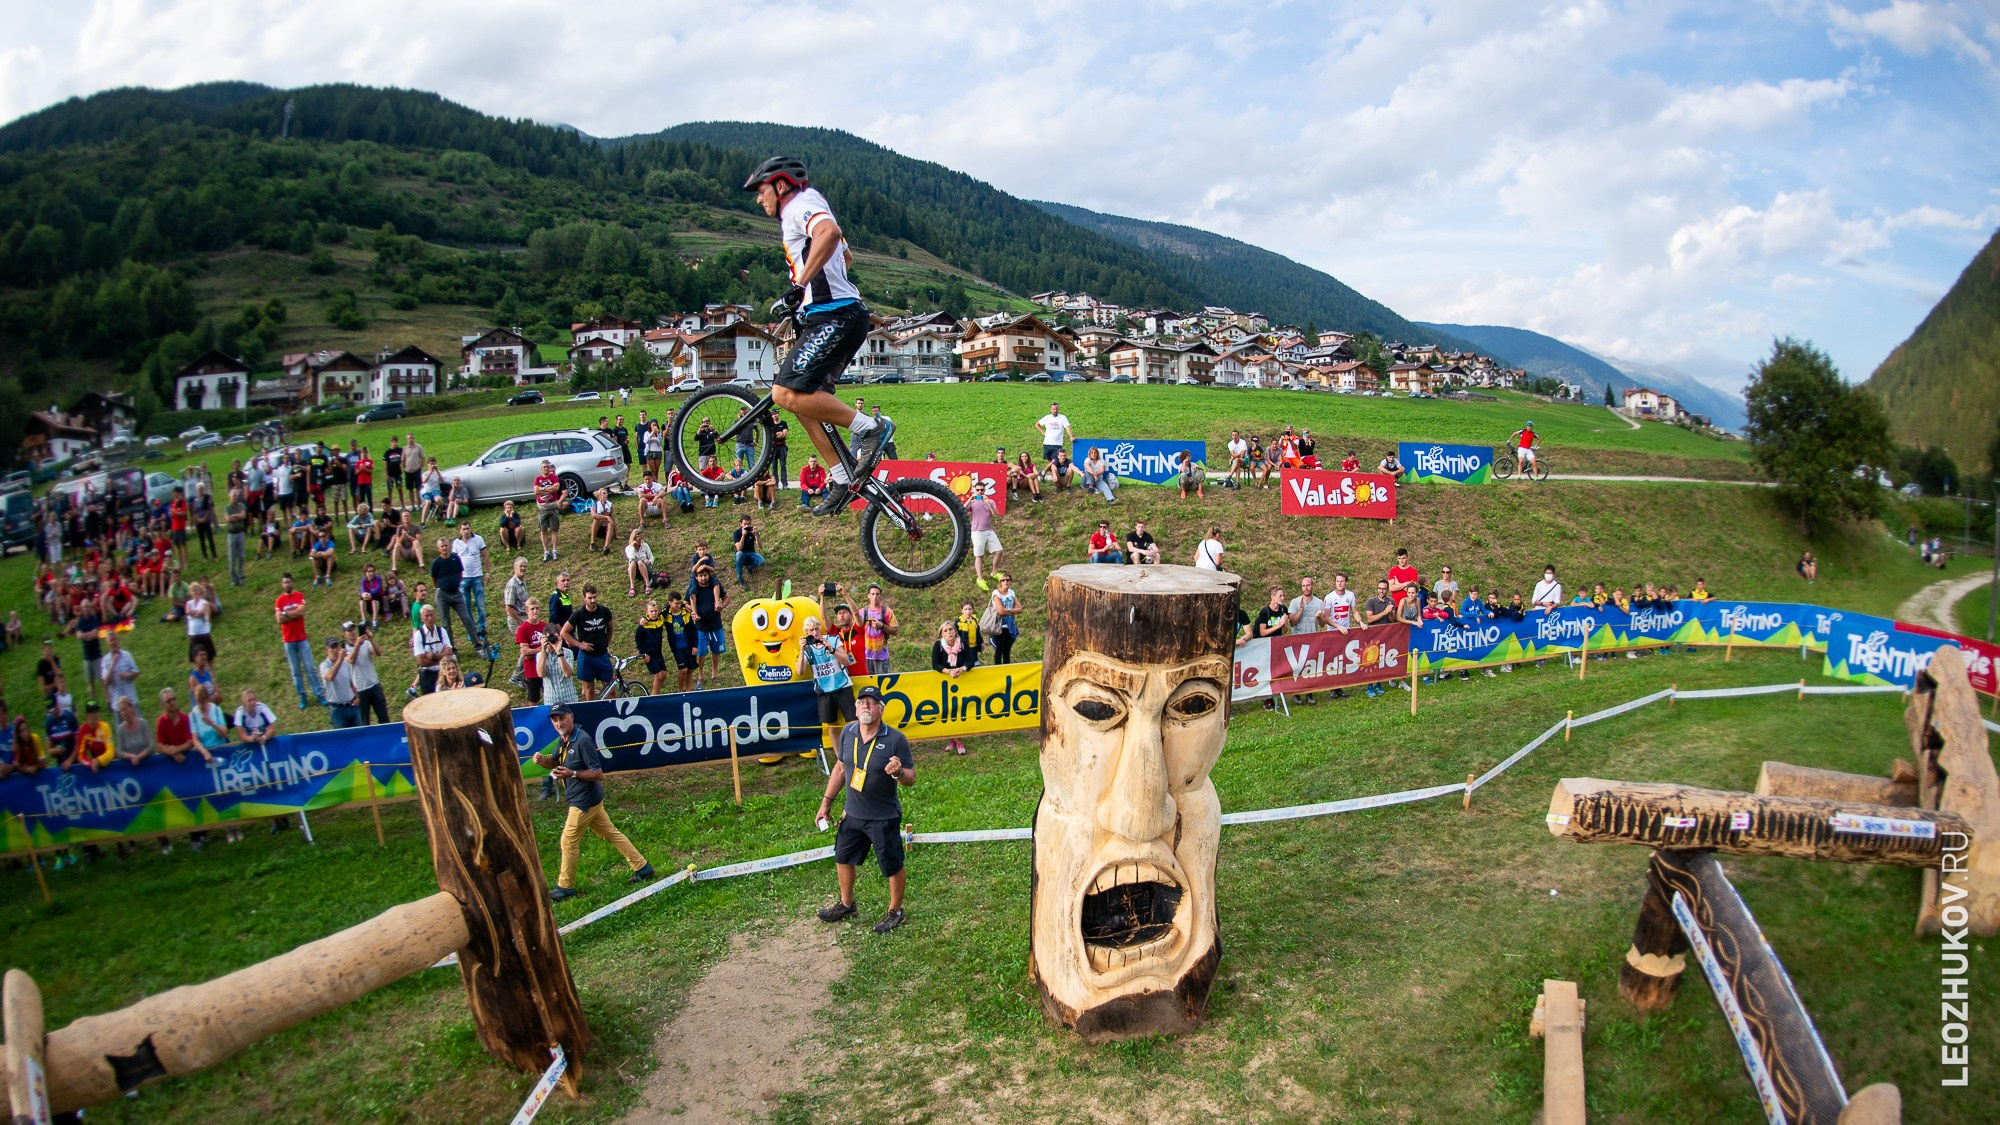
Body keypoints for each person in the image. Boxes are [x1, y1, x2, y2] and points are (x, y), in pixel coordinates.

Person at [744, 155, 893, 516]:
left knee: (782, 392)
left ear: (780, 186)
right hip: (833, 315)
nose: (758, 199)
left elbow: (830, 234)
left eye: (761, 191)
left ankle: (871, 428)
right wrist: (810, 294)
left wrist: (801, 285)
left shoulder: (799, 205)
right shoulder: (810, 206)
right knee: (797, 400)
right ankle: (842, 476)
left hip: (836, 316)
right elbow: (846, 256)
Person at [815, 685, 913, 933]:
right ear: (856, 709)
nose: (866, 706)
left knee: (892, 865)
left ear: (881, 709)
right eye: (862, 702)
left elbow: (911, 777)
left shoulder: (896, 739)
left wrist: (899, 772)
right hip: (852, 814)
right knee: (843, 857)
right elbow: (840, 768)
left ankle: (896, 912)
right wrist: (826, 802)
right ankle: (847, 904)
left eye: (872, 702)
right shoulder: (848, 732)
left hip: (883, 816)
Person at [536, 703, 655, 901]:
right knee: (611, 834)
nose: (559, 723)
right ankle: (643, 868)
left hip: (584, 802)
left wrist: (573, 773)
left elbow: (598, 773)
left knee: (568, 841)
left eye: (562, 718)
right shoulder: (563, 740)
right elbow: (555, 762)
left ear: (571, 717)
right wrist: (543, 761)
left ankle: (565, 887)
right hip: (588, 800)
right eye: (555, 720)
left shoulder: (582, 741)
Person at [797, 612, 857, 734]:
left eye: (816, 629)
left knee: (853, 722)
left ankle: (855, 745)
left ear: (820, 628)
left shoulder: (833, 640)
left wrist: (831, 650)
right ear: (806, 633)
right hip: (824, 690)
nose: (815, 633)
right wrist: (802, 651)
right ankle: (838, 748)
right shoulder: (808, 648)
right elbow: (800, 671)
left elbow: (847, 661)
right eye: (811, 630)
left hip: (842, 685)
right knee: (832, 726)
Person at [274, 574, 324, 711]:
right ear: (282, 585)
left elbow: (301, 612)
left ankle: (319, 693)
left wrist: (286, 613)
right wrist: (293, 613)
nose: (287, 584)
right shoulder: (279, 600)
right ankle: (302, 696)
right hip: (288, 641)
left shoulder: (299, 596)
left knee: (310, 668)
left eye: (289, 582)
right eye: (285, 582)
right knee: (295, 671)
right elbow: (279, 620)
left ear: (292, 583)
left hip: (302, 639)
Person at [559, 584, 616, 701]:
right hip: (587, 657)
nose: (593, 600)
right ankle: (592, 710)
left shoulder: (604, 611)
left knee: (611, 689)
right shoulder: (579, 614)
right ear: (584, 598)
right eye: (590, 598)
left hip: (602, 655)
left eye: (594, 597)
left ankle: (611, 710)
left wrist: (606, 644)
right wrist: (579, 644)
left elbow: (610, 628)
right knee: (589, 690)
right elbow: (564, 632)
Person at [931, 620, 977, 754]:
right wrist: (949, 672)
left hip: (961, 680)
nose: (949, 632)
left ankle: (958, 740)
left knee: (960, 711)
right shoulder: (938, 645)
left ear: (955, 631)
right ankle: (953, 739)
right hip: (945, 683)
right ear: (942, 634)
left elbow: (970, 661)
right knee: (949, 711)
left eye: (951, 629)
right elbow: (936, 664)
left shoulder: (962, 643)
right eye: (945, 631)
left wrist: (961, 669)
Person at [1287, 576, 1330, 702]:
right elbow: (1292, 622)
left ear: (1312, 586)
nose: (1306, 588)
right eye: (1304, 586)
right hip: (1297, 638)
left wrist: (1319, 617)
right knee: (1297, 667)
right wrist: (1301, 610)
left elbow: (1322, 624)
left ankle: (1309, 694)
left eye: (1308, 585)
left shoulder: (1319, 603)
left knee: (1310, 667)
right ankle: (1296, 693)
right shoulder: (1295, 602)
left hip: (1312, 639)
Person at [430, 537, 478, 647]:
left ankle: (477, 643)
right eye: (442, 546)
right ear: (438, 548)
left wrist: (455, 584)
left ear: (450, 546)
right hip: (443, 595)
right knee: (446, 623)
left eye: (446, 545)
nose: (444, 548)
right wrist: (440, 587)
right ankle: (451, 647)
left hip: (456, 593)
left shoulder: (455, 559)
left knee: (467, 619)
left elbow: (460, 574)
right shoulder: (436, 563)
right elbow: (434, 579)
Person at [689, 567, 730, 686]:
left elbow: (726, 598)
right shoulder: (693, 589)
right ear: (696, 577)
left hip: (716, 625)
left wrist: (722, 606)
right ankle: (700, 675)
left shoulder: (715, 585)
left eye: (705, 575)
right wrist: (693, 612)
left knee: (716, 651)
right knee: (700, 653)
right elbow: (685, 603)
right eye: (700, 576)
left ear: (709, 575)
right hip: (701, 628)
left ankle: (714, 674)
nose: (703, 578)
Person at [453, 520, 491, 644]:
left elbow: (485, 556)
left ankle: (482, 627)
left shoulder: (478, 539)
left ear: (471, 528)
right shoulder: (456, 543)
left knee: (480, 604)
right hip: (463, 579)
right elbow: (453, 561)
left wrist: (487, 572)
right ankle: (471, 630)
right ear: (460, 530)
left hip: (477, 577)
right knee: (466, 606)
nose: (466, 531)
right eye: (463, 529)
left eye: (467, 528)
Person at [345, 620, 388, 725]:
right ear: (344, 634)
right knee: (364, 721)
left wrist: (371, 639)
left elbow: (378, 652)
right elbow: (351, 660)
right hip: (360, 689)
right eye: (349, 630)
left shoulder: (366, 643)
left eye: (353, 629)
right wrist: (357, 645)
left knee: (384, 718)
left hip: (374, 685)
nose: (352, 632)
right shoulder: (345, 649)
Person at [154, 688, 208, 764]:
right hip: (171, 761)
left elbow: (190, 742)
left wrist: (175, 750)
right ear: (163, 706)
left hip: (189, 758)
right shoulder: (161, 721)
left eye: (174, 699)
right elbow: (160, 745)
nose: (172, 703)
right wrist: (174, 753)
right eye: (168, 701)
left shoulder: (186, 719)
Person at [411, 605, 454, 696]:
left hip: (443, 673)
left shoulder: (442, 631)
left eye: (431, 615)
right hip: (427, 676)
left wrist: (433, 656)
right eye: (427, 616)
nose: (430, 618)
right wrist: (442, 656)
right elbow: (421, 662)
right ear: (422, 618)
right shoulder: (418, 635)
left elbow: (450, 654)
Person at [320, 636, 361, 729]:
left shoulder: (345, 664)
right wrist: (339, 660)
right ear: (327, 650)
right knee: (342, 736)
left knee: (359, 733)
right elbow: (330, 677)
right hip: (337, 709)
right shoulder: (324, 665)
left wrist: (357, 697)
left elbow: (351, 683)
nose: (335, 650)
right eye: (332, 647)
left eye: (336, 647)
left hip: (352, 706)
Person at [858, 584, 898, 675]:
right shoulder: (862, 612)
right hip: (865, 656)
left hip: (882, 657)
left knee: (883, 682)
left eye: (877, 594)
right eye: (872, 594)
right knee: (868, 683)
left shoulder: (887, 612)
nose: (875, 596)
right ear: (868, 595)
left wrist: (882, 626)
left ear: (880, 595)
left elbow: (895, 631)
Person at [100, 631, 141, 717]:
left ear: (118, 640)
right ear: (107, 643)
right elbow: (106, 682)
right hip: (117, 704)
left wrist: (127, 675)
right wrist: (113, 663)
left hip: (131, 701)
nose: (113, 642)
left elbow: (136, 672)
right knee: (121, 726)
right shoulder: (105, 660)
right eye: (111, 640)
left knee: (137, 723)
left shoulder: (127, 655)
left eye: (114, 639)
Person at [665, 592, 700, 693]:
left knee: (690, 669)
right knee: (683, 669)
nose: (678, 605)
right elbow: (656, 615)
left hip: (688, 645)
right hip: (677, 647)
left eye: (680, 603)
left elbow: (694, 630)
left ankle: (688, 690)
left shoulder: (686, 613)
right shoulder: (666, 614)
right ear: (670, 603)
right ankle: (680, 690)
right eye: (676, 603)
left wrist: (695, 645)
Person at [634, 599, 669, 694]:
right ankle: (654, 697)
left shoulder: (660, 618)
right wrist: (643, 654)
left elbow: (668, 606)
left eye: (655, 611)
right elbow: (638, 639)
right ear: (647, 612)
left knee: (664, 675)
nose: (654, 613)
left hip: (658, 653)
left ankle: (656, 692)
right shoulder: (643, 625)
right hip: (649, 654)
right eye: (651, 611)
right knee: (658, 676)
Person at [111, 694, 155, 766]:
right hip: (130, 766)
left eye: (125, 709)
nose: (123, 713)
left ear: (131, 708)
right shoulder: (120, 729)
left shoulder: (143, 723)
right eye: (121, 711)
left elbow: (151, 747)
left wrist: (139, 757)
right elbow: (119, 752)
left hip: (146, 764)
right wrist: (131, 756)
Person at [534, 460, 564, 562]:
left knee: (554, 530)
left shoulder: (554, 477)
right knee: (543, 531)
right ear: (541, 468)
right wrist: (549, 489)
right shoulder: (538, 479)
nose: (546, 469)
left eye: (547, 467)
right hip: (542, 508)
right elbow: (536, 491)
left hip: (553, 507)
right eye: (544, 467)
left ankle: (554, 550)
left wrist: (542, 490)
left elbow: (556, 488)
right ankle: (546, 552)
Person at [225, 486, 250, 586]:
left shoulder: (241, 506)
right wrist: (237, 516)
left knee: (241, 556)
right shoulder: (227, 507)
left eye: (236, 496)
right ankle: (233, 579)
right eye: (233, 496)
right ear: (230, 497)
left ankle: (240, 577)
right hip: (232, 534)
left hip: (240, 533)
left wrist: (234, 516)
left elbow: (243, 516)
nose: (235, 498)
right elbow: (228, 519)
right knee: (232, 558)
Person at [733, 516, 764, 587]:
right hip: (741, 554)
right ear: (741, 524)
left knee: (761, 560)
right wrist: (743, 536)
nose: (747, 526)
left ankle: (749, 567)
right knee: (739, 554)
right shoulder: (736, 533)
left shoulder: (752, 531)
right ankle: (740, 579)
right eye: (745, 524)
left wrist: (756, 535)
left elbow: (760, 546)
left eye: (748, 524)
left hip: (751, 553)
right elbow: (739, 549)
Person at [587, 487, 616, 554]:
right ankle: (592, 543)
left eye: (606, 493)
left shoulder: (610, 505)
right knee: (596, 520)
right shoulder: (594, 506)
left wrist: (616, 534)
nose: (606, 495)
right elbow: (593, 515)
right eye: (604, 493)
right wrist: (606, 517)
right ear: (599, 496)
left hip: (607, 530)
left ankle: (606, 547)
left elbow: (613, 520)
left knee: (610, 523)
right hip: (599, 529)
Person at [358, 563, 386, 628]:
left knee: (374, 596)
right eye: (369, 571)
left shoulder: (378, 578)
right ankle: (364, 619)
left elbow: (377, 589)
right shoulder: (363, 581)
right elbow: (362, 589)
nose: (371, 573)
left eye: (372, 571)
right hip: (369, 603)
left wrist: (370, 594)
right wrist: (363, 594)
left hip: (379, 603)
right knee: (362, 598)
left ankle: (375, 620)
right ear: (365, 572)